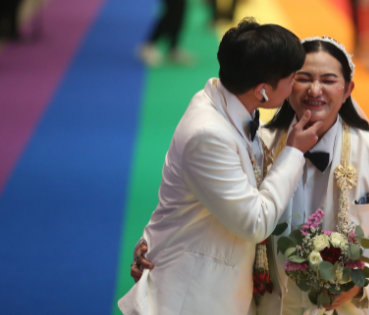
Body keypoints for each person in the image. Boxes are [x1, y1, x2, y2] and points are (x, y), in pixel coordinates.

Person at [119, 19, 323, 315]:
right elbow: (255, 222)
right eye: (293, 78)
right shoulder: (208, 134)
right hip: (193, 297)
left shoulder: (222, 98)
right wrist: (293, 152)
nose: (298, 86)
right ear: (263, 91)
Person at [257, 37, 369, 315]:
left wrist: (360, 286)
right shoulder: (259, 146)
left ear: (347, 88)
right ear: (289, 83)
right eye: (303, 78)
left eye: (328, 80)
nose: (315, 90)